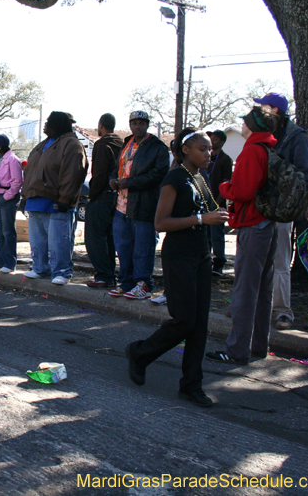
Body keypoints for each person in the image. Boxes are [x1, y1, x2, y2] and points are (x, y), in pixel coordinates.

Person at [126, 129, 229, 407]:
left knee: (199, 324)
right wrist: (202, 219)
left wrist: (217, 215)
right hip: (179, 256)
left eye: (210, 150)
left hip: (201, 255)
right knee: (184, 320)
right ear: (185, 150)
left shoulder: (200, 177)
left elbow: (208, 211)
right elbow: (161, 223)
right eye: (202, 149)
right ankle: (140, 352)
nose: (208, 154)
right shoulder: (174, 178)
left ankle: (191, 384)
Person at [206, 107, 280, 365]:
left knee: (245, 290)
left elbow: (243, 191)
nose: (242, 126)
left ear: (251, 125)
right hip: (268, 223)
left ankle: (237, 350)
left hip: (253, 224)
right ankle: (258, 345)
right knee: (263, 289)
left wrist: (224, 188)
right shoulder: (268, 148)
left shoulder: (252, 150)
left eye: (245, 122)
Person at [253, 92, 308, 331]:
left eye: (263, 107)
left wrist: (290, 201)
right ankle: (252, 307)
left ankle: (282, 312)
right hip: (258, 208)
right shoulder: (260, 132)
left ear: (275, 110)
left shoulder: (296, 136)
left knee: (280, 262)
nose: (259, 110)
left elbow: (307, 174)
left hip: (281, 210)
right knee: (254, 261)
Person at [21, 111, 88, 285]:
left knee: (58, 241)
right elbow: (30, 172)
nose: (45, 125)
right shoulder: (42, 144)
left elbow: (72, 173)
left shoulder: (72, 144)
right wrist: (25, 196)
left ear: (57, 124)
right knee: (38, 241)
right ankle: (40, 268)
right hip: (35, 200)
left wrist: (66, 198)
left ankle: (62, 272)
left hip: (57, 202)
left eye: (48, 122)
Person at [109, 110, 169, 299]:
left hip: (143, 205)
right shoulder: (126, 144)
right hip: (121, 205)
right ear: (130, 125)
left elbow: (158, 174)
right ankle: (126, 283)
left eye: (141, 123)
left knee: (143, 247)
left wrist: (130, 182)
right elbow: (117, 169)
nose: (137, 126)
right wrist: (113, 180)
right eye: (134, 123)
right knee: (123, 247)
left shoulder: (157, 147)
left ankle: (143, 285)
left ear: (147, 125)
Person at [85, 113, 123, 288]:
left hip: (102, 194)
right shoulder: (122, 144)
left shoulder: (102, 144)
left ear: (101, 125)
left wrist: (92, 195)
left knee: (94, 237)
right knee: (109, 237)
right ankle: (109, 274)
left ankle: (104, 275)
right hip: (117, 195)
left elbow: (99, 174)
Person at [0, 134, 23, 274]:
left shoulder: (12, 160)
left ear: (0, 146)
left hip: (8, 197)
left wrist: (7, 196)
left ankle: (9, 262)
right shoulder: (0, 159)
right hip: (1, 195)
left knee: (8, 231)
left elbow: (17, 181)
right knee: (0, 230)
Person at [205, 130, 233, 276]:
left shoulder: (225, 159)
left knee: (217, 235)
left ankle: (219, 263)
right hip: (204, 203)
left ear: (222, 142)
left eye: (215, 139)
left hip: (218, 204)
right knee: (206, 235)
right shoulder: (205, 157)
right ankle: (206, 262)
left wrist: (217, 203)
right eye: (211, 138)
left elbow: (226, 183)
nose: (212, 141)